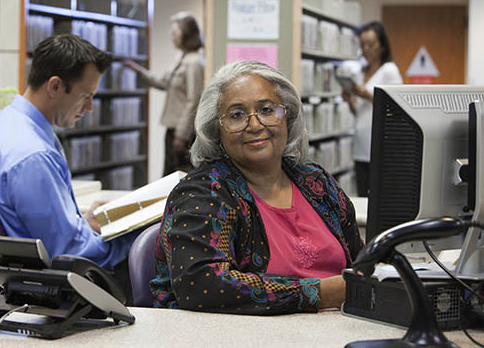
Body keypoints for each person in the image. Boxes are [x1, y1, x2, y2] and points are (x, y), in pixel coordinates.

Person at [150, 61, 364, 315]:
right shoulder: (203, 192)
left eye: (267, 110)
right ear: (216, 129)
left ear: (288, 116)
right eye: (236, 115)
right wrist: (320, 293)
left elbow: (361, 263)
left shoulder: (316, 182)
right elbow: (201, 284)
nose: (254, 125)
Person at [0, 34, 137, 271]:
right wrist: (136, 239)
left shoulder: (0, 126)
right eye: (85, 96)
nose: (89, 108)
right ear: (55, 86)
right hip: (55, 279)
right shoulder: (32, 156)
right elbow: (71, 255)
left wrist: (82, 223)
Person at [124, 11, 205, 175]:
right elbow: (163, 82)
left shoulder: (194, 62)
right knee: (168, 172)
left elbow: (193, 101)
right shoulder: (181, 58)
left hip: (183, 131)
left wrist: (181, 135)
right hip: (173, 129)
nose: (172, 36)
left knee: (178, 173)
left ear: (187, 34)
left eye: (175, 32)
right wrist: (139, 71)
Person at [342, 21, 403, 197]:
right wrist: (350, 101)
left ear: (382, 46)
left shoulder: (389, 70)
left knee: (380, 197)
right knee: (363, 194)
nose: (366, 49)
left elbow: (397, 105)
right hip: (361, 145)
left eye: (371, 44)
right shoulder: (361, 72)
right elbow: (361, 112)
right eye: (362, 45)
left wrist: (367, 95)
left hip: (381, 146)